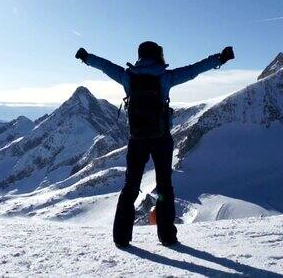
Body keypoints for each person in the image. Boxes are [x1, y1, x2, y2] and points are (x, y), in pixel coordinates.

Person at [75, 41, 235, 247]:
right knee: (164, 187)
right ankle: (167, 236)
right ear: (158, 55)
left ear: (140, 56)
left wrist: (86, 57)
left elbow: (106, 66)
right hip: (161, 138)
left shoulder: (128, 76)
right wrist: (220, 58)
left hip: (136, 139)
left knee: (130, 186)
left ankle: (121, 237)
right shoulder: (165, 77)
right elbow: (194, 70)